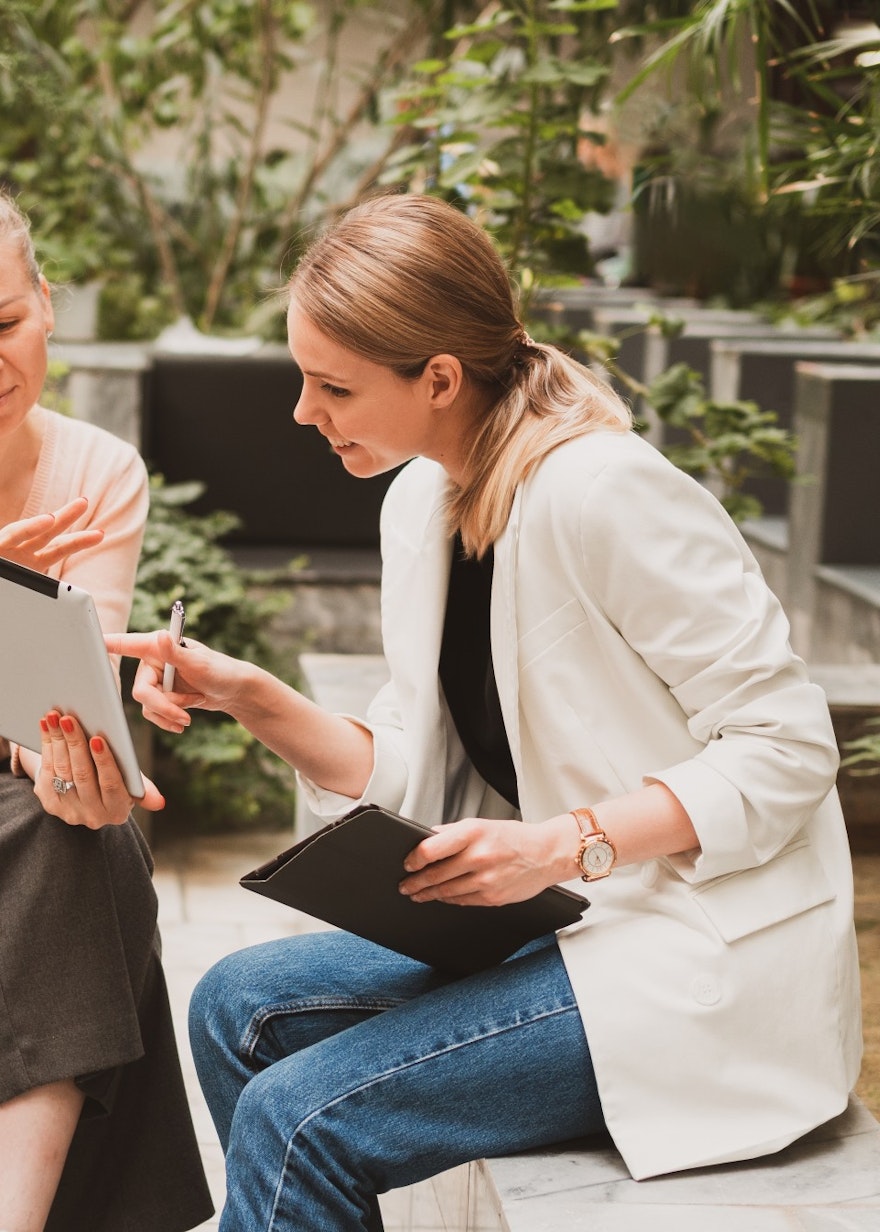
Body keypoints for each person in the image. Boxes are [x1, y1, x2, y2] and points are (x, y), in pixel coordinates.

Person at [106, 192, 862, 1231]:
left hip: (692, 950)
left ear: (440, 378)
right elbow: (416, 767)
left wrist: (565, 843)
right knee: (235, 1005)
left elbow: (788, 746)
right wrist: (253, 696)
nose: (301, 411)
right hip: (568, 919)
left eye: (333, 385)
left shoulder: (603, 490)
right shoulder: (422, 500)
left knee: (298, 1116)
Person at [0, 188, 214, 1232]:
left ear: (46, 304)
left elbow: (63, 697)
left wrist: (67, 749)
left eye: (3, 323)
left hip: (13, 765)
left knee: (89, 825)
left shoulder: (96, 470)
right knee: (94, 854)